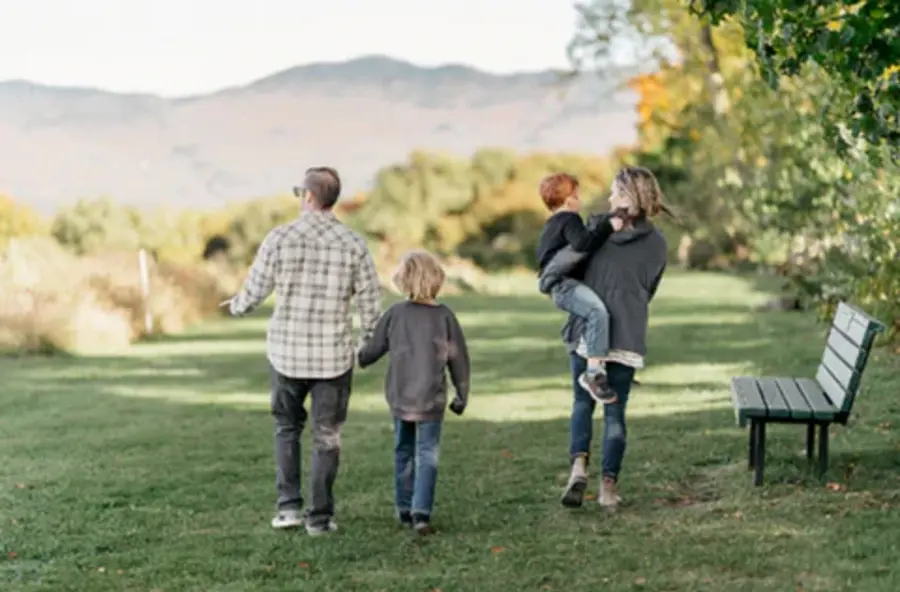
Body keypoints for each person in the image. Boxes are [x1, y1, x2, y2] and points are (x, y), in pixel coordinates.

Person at [225, 166, 382, 536]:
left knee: (286, 428)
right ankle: (320, 518)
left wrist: (235, 306)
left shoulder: (279, 238)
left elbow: (254, 290)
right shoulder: (354, 243)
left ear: (308, 197)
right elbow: (371, 304)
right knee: (327, 437)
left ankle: (288, 509)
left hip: (287, 353)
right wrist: (367, 343)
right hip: (334, 357)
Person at [558, 166, 669, 510]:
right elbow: (648, 289)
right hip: (627, 335)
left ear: (630, 197)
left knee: (581, 403)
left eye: (615, 193)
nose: (609, 199)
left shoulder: (597, 230)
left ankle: (578, 467)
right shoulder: (657, 244)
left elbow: (572, 271)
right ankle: (608, 489)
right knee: (615, 414)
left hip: (588, 332)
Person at [357, 250, 470, 536]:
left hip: (401, 397)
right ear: (437, 279)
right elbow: (459, 359)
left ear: (403, 280)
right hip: (431, 398)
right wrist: (462, 394)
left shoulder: (395, 314)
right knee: (427, 453)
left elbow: (369, 353)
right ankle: (422, 512)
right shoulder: (445, 316)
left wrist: (357, 351)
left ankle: (404, 507)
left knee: (403, 450)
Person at [534, 172, 626, 403]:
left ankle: (606, 368)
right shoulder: (569, 219)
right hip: (564, 285)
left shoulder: (552, 224)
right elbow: (584, 243)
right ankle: (594, 374)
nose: (580, 199)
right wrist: (610, 227)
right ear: (568, 200)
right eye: (577, 194)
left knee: (593, 316)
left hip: (561, 286)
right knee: (597, 311)